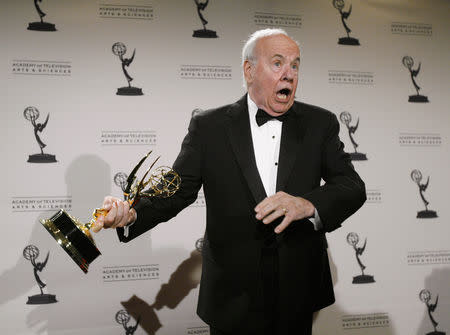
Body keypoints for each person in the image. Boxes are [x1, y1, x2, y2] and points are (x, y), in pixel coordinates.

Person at [93, 28, 366, 335]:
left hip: (297, 290)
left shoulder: (321, 123)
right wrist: (132, 212)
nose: (289, 74)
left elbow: (352, 186)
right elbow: (177, 189)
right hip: (231, 295)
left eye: (295, 65)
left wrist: (307, 204)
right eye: (278, 63)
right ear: (249, 70)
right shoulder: (209, 127)